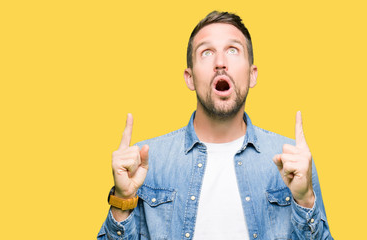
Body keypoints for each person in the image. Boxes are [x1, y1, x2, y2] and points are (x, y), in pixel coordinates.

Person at [97, 11, 333, 240]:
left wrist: (305, 200)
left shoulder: (292, 160)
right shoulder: (146, 162)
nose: (221, 63)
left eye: (233, 50)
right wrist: (122, 200)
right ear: (189, 77)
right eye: (207, 53)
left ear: (252, 75)